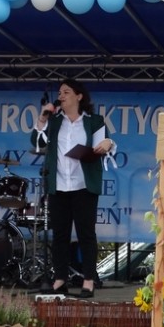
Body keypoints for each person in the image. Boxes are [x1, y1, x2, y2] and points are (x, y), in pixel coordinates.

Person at [31, 78, 117, 299]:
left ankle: (88, 280)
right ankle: (60, 279)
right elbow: (37, 143)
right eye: (60, 92)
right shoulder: (54, 122)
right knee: (60, 235)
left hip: (83, 186)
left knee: (86, 234)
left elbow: (106, 146)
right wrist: (42, 118)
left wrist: (108, 144)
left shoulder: (93, 121)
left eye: (66, 92)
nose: (61, 96)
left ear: (79, 96)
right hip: (59, 185)